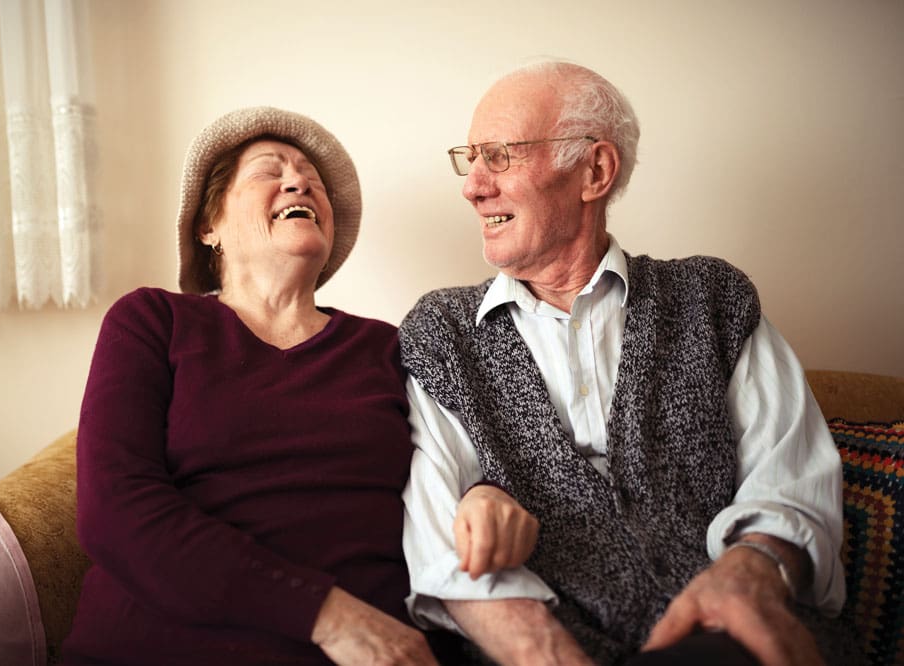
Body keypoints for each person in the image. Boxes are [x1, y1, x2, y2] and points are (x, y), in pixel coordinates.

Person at [399, 61, 862, 666]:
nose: (473, 185)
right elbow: (440, 545)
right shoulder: (441, 334)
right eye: (471, 158)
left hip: (724, 635)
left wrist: (749, 574)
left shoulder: (710, 300)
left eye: (501, 155)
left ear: (594, 170)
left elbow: (792, 479)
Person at [60, 106, 531, 665]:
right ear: (210, 225)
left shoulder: (388, 345)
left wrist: (483, 491)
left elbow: (459, 457)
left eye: (311, 177)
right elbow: (114, 512)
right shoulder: (153, 321)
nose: (299, 180)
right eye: (268, 169)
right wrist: (329, 617)